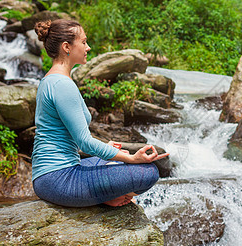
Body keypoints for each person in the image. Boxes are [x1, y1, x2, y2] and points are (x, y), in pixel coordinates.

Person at [31, 19, 168, 207]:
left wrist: (109, 150)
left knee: (117, 158)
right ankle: (111, 197)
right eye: (84, 42)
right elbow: (85, 142)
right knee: (149, 172)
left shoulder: (51, 80)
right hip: (59, 179)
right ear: (66, 47)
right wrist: (131, 158)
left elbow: (69, 138)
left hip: (51, 176)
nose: (88, 47)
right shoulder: (62, 85)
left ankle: (111, 195)